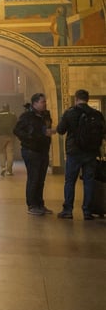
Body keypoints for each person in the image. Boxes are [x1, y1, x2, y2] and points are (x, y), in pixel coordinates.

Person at [55, 89, 105, 220]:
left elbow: (60, 130)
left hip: (74, 152)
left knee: (70, 181)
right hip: (91, 153)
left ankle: (68, 210)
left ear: (76, 99)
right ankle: (87, 211)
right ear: (87, 99)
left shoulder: (70, 113)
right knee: (89, 182)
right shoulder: (97, 114)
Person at [14, 92, 54, 215]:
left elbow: (45, 128)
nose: (45, 104)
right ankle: (32, 205)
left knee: (41, 179)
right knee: (34, 178)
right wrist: (30, 138)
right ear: (35, 103)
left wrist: (49, 132)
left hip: (43, 150)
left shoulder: (45, 116)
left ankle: (40, 204)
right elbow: (17, 130)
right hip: (31, 150)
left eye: (45, 102)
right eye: (42, 102)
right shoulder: (26, 116)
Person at [0, 103, 18, 176]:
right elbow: (17, 125)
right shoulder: (13, 115)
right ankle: (9, 171)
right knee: (10, 153)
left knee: (2, 152)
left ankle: (3, 167)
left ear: (2, 108)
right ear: (8, 108)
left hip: (1, 136)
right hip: (11, 136)